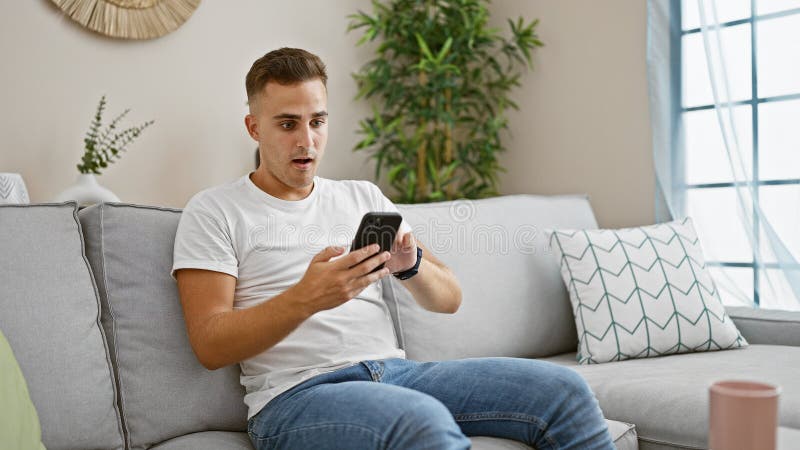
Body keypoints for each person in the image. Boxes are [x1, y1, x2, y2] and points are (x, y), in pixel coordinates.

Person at [172, 47, 615, 450]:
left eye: (317, 121)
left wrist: (410, 265)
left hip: (397, 375)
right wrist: (307, 298)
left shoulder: (362, 197)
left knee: (564, 391)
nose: (307, 140)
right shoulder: (215, 210)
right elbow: (210, 344)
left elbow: (449, 299)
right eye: (287, 124)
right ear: (254, 127)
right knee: (421, 421)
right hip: (297, 397)